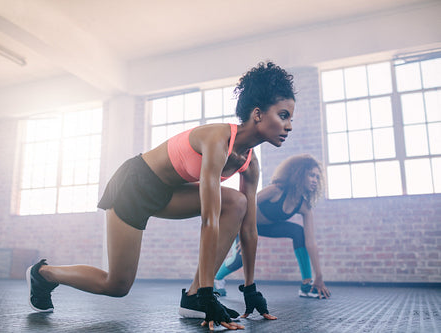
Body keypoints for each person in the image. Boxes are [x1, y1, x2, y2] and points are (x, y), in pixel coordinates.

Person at [25, 61, 295, 330]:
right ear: (258, 114)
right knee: (117, 285)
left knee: (238, 203)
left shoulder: (251, 163)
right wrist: (208, 291)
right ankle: (43, 274)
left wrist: (250, 289)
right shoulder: (217, 139)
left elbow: (249, 230)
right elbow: (209, 221)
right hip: (134, 186)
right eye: (283, 115)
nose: (289, 126)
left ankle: (192, 299)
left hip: (168, 193)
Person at [213, 154, 331, 300]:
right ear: (299, 174)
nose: (315, 180)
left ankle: (307, 285)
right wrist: (242, 231)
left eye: (317, 177)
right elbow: (245, 204)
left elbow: (311, 243)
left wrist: (319, 276)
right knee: (240, 258)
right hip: (244, 222)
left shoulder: (304, 206)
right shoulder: (275, 190)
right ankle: (216, 278)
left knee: (298, 232)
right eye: (311, 175)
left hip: (270, 227)